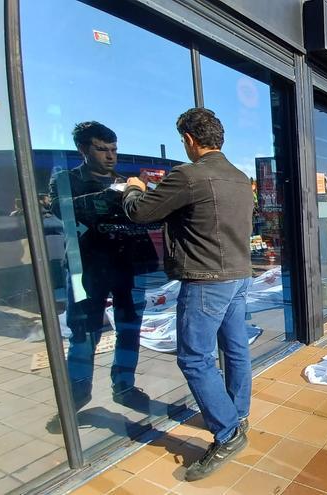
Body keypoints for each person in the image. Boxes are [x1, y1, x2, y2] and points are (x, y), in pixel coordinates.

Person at [122, 108, 254, 481]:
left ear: (190, 141)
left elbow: (140, 212)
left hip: (206, 280)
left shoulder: (189, 176)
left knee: (195, 359)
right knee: (235, 348)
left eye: (184, 140)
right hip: (238, 276)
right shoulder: (240, 178)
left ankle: (227, 433)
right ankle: (238, 413)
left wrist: (134, 186)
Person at [48, 122, 156, 429]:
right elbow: (63, 209)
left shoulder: (127, 182)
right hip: (87, 269)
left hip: (127, 267)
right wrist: (111, 198)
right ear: (83, 149)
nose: (110, 156)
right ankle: (75, 400)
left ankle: (125, 386)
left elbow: (142, 219)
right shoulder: (66, 181)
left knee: (129, 327)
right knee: (83, 334)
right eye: (102, 149)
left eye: (113, 149)